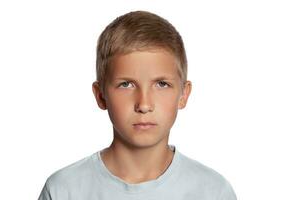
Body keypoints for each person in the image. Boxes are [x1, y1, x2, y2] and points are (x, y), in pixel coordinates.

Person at [38, 10, 237, 200]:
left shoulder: (212, 192)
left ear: (183, 94)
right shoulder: (64, 190)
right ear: (101, 96)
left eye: (161, 84)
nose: (144, 104)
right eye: (126, 84)